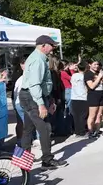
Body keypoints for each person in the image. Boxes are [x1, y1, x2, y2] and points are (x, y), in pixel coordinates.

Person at [19, 35, 67, 170]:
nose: (52, 49)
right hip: (33, 97)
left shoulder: (37, 58)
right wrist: (41, 104)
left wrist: (49, 99)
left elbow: (43, 84)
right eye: (51, 46)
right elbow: (35, 84)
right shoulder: (38, 60)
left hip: (30, 96)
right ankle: (47, 160)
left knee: (28, 129)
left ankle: (23, 161)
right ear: (43, 45)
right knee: (45, 128)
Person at [85, 60, 103, 137]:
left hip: (101, 94)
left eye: (98, 64)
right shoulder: (88, 74)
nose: (97, 66)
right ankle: (90, 131)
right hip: (93, 95)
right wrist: (98, 77)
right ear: (90, 64)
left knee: (99, 114)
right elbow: (91, 86)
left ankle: (97, 130)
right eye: (94, 64)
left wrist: (102, 77)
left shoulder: (100, 72)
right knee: (92, 115)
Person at [70, 62, 89, 137]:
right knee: (83, 116)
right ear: (86, 68)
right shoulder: (84, 76)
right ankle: (82, 132)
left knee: (76, 116)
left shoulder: (74, 75)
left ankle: (77, 131)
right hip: (83, 97)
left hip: (74, 97)